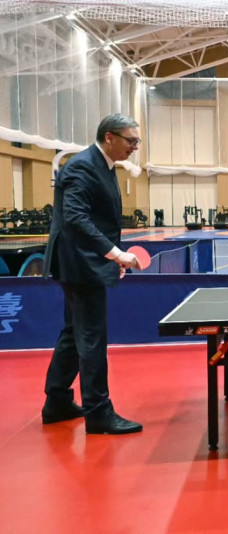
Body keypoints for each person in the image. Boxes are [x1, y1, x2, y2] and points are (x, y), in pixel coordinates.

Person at [42, 113, 144, 434]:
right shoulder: (82, 166)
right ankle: (98, 412)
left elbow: (100, 220)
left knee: (74, 333)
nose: (135, 147)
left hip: (86, 262)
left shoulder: (105, 166)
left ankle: (57, 402)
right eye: (131, 140)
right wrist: (116, 254)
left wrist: (112, 259)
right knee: (91, 339)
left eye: (137, 141)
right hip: (79, 264)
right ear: (109, 137)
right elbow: (76, 218)